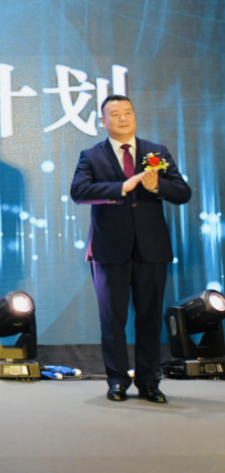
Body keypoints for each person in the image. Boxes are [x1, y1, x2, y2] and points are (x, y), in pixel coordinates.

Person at [70, 94, 190, 403]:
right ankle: (117, 381)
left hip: (151, 249)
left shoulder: (156, 152)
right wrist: (123, 186)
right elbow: (79, 192)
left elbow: (182, 192)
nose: (123, 118)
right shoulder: (91, 156)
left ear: (134, 116)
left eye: (127, 112)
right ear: (103, 121)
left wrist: (156, 186)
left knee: (150, 318)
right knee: (113, 320)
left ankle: (149, 381)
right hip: (109, 249)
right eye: (115, 114)